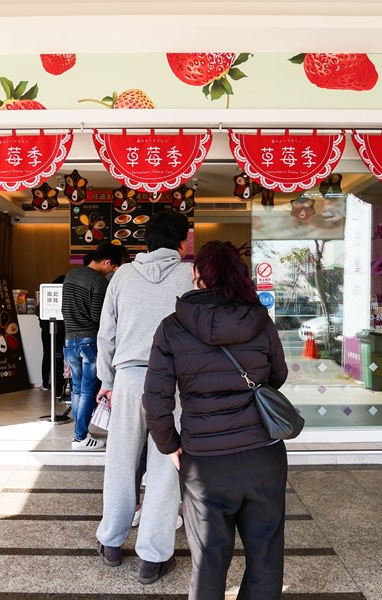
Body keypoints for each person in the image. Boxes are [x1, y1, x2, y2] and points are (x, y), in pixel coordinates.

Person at [142, 240, 289, 600]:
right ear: (239, 275)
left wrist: (169, 444)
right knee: (266, 558)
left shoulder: (172, 327)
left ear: (197, 277)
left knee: (208, 561)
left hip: (205, 463)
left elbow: (156, 400)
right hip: (263, 456)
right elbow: (278, 375)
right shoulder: (259, 319)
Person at [95, 209, 193, 585]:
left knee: (120, 462)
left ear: (146, 242)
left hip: (129, 379)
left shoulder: (122, 275)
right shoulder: (189, 276)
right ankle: (152, 557)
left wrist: (107, 380)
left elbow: (107, 333)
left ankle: (111, 542)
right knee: (167, 467)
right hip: (174, 383)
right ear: (181, 242)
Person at [62, 241, 125, 450]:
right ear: (107, 262)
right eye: (114, 267)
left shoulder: (71, 275)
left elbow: (64, 309)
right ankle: (80, 437)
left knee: (77, 389)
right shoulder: (99, 282)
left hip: (70, 340)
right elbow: (100, 319)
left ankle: (79, 435)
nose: (113, 271)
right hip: (89, 342)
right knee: (88, 390)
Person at [38, 275, 65, 394]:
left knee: (47, 356)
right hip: (60, 332)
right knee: (59, 357)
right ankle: (59, 387)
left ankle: (45, 383)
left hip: (45, 332)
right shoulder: (63, 297)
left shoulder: (46, 297)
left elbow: (40, 318)